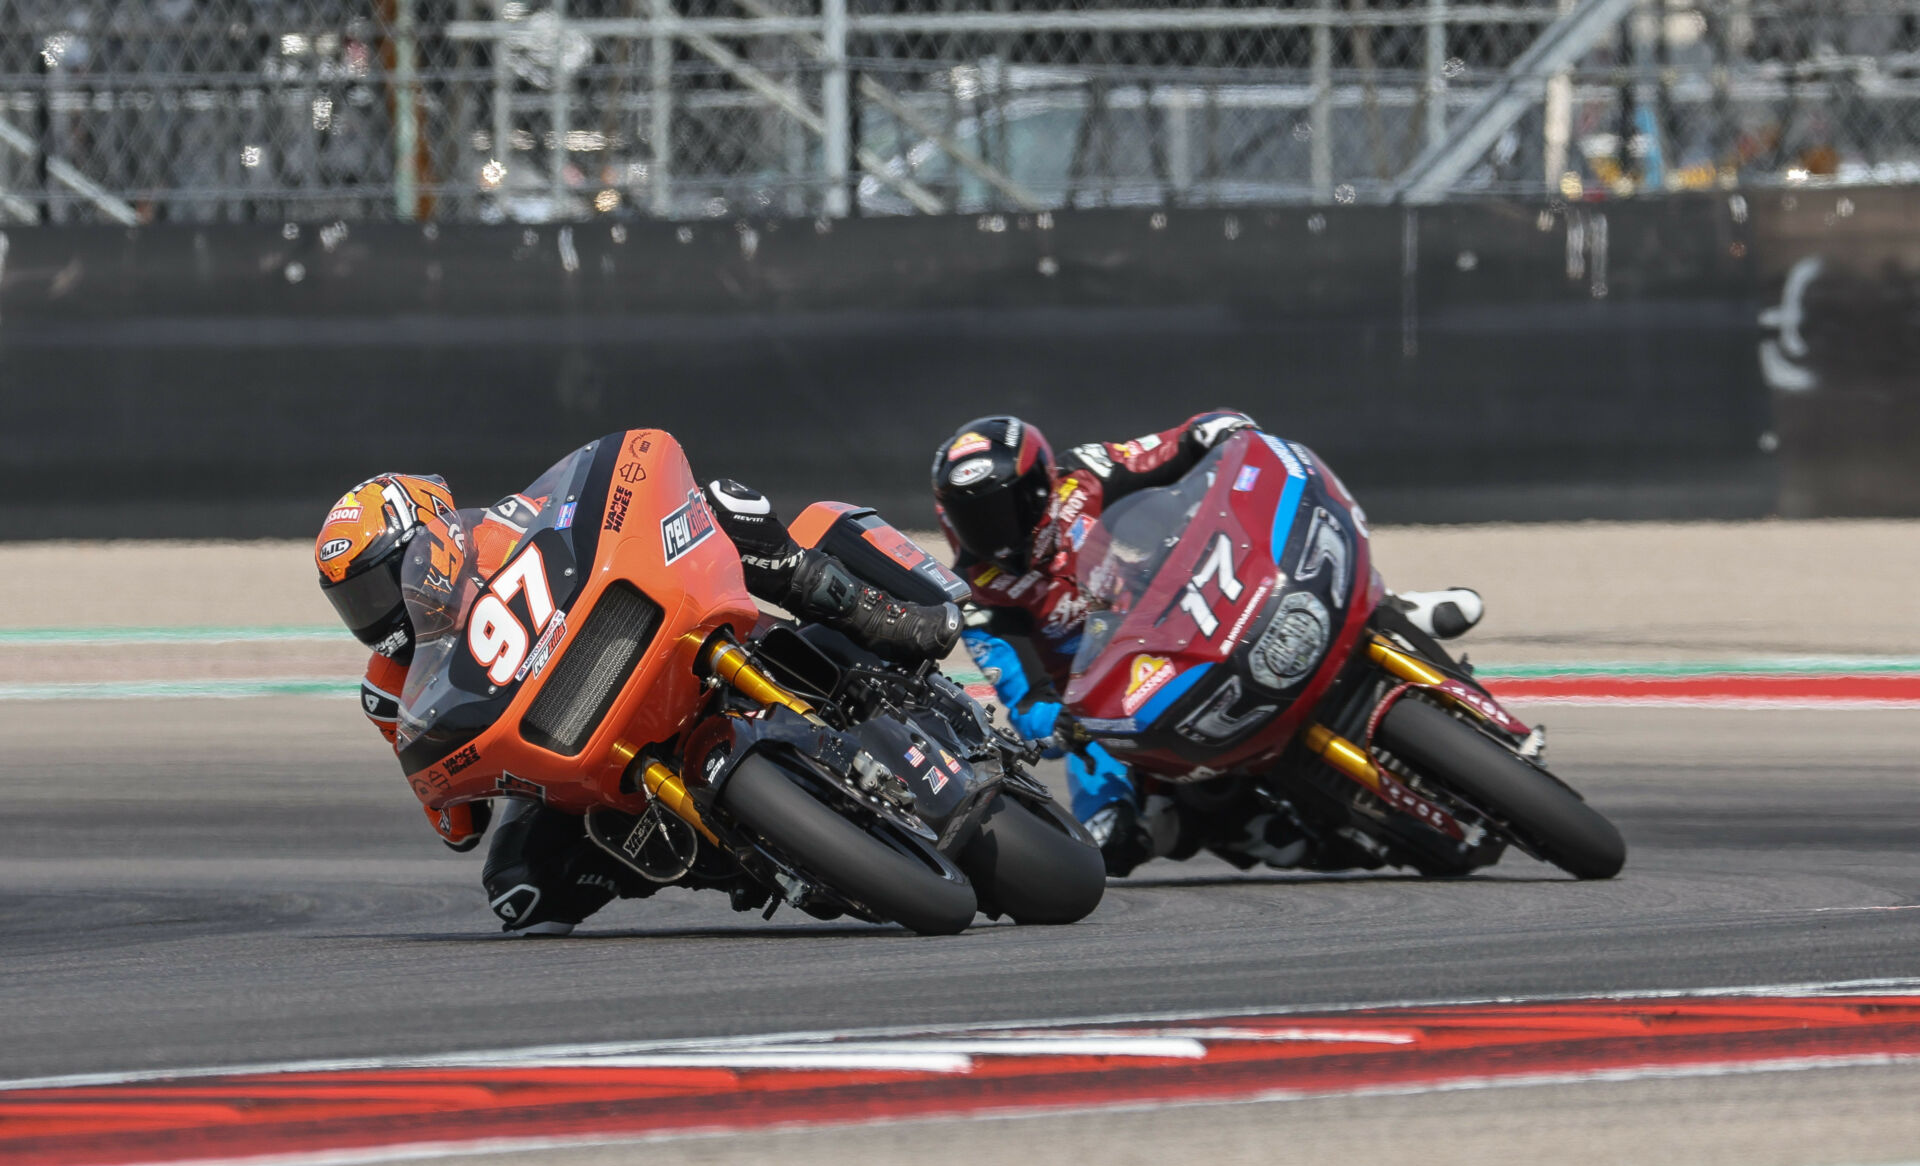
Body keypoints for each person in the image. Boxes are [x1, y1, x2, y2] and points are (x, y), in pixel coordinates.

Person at [316, 466, 960, 936]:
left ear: (434, 538)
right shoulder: (389, 692)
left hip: (639, 640)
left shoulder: (505, 526)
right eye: (357, 602)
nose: (378, 614)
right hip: (570, 738)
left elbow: (614, 507)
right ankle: (724, 853)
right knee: (519, 893)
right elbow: (460, 826)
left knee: (724, 507)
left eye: (384, 581)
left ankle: (878, 614)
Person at [930, 412, 1483, 876]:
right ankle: (1266, 832)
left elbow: (1177, 446)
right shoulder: (981, 597)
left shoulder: (1089, 474)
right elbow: (1023, 695)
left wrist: (1219, 431)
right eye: (975, 517)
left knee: (1301, 560)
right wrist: (1058, 725)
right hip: (1117, 694)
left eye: (1006, 506)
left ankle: (1388, 609)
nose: (996, 529)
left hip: (1202, 598)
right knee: (1111, 841)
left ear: (1042, 483)